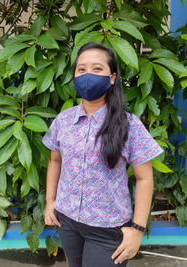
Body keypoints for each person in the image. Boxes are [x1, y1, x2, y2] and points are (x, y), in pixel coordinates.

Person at [42, 42, 163, 267]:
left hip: (108, 229)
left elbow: (145, 178)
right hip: (68, 221)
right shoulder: (63, 120)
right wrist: (50, 201)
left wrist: (137, 230)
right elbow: (55, 160)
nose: (88, 75)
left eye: (97, 69)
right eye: (81, 69)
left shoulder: (129, 125)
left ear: (112, 78)